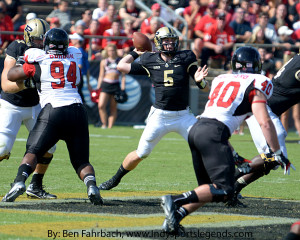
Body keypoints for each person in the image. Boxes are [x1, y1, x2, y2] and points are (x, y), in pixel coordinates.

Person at [160, 46, 292, 234]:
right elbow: (264, 122)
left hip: (197, 129)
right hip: (213, 133)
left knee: (209, 190)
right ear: (256, 64)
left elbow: (219, 117)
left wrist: (234, 153)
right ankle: (175, 201)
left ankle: (175, 218)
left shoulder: (222, 79)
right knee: (224, 190)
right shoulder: (258, 82)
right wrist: (277, 152)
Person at [99, 26, 209, 191]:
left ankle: (217, 186)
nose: (170, 44)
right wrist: (136, 52)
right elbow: (121, 66)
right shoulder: (150, 59)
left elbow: (204, 87)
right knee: (142, 153)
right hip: (160, 116)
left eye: (173, 40)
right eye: (166, 41)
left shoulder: (186, 56)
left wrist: (200, 81)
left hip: (183, 115)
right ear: (158, 43)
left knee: (206, 147)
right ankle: (114, 179)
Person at [1, 28, 103, 205]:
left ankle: (19, 182)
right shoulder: (74, 56)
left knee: (33, 151)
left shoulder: (38, 60)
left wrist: (23, 62)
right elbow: (72, 53)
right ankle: (92, 185)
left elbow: (11, 75)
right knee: (81, 161)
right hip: (78, 111)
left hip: (53, 111)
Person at [228, 46, 300, 206]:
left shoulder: (297, 60)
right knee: (275, 158)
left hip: (264, 110)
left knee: (270, 162)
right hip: (262, 110)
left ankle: (233, 188)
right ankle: (228, 181)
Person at [0, 18, 57, 199]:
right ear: (28, 37)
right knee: (2, 149)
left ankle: (35, 186)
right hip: (12, 105)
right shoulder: (17, 48)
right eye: (37, 39)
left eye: (44, 39)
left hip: (36, 105)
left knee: (50, 146)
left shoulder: (49, 51)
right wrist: (29, 83)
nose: (41, 43)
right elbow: (6, 86)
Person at [96, 43, 126, 129]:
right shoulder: (104, 61)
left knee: (113, 107)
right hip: (106, 84)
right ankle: (104, 124)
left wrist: (123, 88)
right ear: (107, 52)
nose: (111, 52)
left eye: (113, 50)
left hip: (115, 85)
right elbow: (101, 75)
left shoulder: (120, 61)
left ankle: (110, 127)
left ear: (115, 51)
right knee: (101, 105)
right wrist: (98, 87)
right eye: (109, 51)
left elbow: (123, 76)